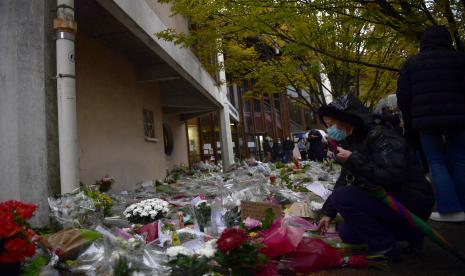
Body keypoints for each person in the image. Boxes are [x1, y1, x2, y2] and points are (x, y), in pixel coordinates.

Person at [317, 94, 434, 259]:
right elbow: (345, 178)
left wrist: (353, 159)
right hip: (390, 197)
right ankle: (410, 233)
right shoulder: (354, 140)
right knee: (347, 232)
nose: (330, 130)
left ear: (347, 119)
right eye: (327, 125)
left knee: (342, 197)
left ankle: (386, 247)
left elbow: (392, 176)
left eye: (331, 124)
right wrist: (328, 213)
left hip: (410, 199)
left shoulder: (381, 135)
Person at [396, 25, 465, 222]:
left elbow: (403, 97)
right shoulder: (460, 59)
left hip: (426, 120)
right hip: (459, 117)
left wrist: (409, 121)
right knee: (460, 159)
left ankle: (451, 209)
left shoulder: (412, 63)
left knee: (436, 163)